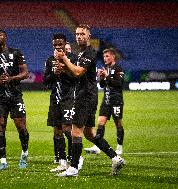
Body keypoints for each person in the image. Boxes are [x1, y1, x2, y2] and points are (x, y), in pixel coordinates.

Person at [55, 24, 125, 177]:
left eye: (82, 34)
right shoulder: (80, 54)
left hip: (85, 96)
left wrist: (64, 59)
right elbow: (74, 74)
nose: (79, 36)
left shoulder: (91, 52)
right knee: (89, 133)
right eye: (77, 34)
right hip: (86, 95)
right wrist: (62, 68)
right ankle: (115, 157)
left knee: (75, 131)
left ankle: (73, 168)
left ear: (89, 36)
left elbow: (78, 71)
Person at [0, 30, 29, 170]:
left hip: (15, 96)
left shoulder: (16, 53)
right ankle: (3, 162)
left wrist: (11, 79)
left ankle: (24, 154)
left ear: (5, 38)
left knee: (21, 127)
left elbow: (25, 73)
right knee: (0, 128)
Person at [43, 33, 78, 172]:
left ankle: (76, 158)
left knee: (67, 129)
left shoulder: (73, 59)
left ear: (65, 44)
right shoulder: (50, 60)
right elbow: (46, 82)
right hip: (55, 99)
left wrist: (64, 70)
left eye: (60, 44)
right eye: (55, 45)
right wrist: (54, 73)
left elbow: (77, 77)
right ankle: (62, 162)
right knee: (57, 131)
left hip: (69, 98)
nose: (58, 47)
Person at [84, 48, 125, 155]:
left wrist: (107, 77)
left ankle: (119, 147)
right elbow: (102, 85)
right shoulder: (106, 68)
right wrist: (101, 78)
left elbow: (119, 84)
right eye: (104, 56)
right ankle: (97, 146)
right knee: (100, 123)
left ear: (113, 57)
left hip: (116, 100)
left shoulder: (118, 68)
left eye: (107, 56)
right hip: (106, 100)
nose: (105, 58)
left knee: (118, 123)